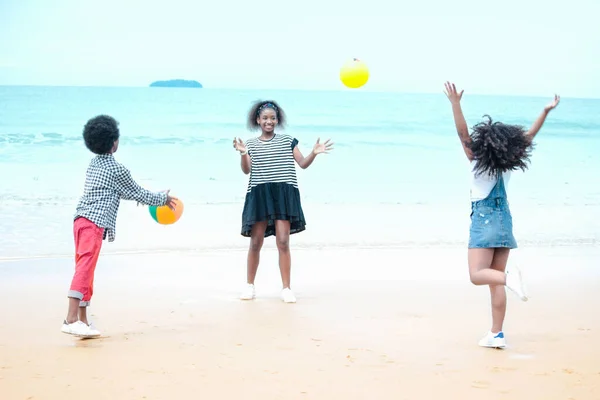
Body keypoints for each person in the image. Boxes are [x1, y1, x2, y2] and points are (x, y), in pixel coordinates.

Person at [444, 82, 560, 349]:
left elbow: (462, 132)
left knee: (478, 275)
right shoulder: (508, 162)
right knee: (494, 280)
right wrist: (545, 111)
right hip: (504, 221)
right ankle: (496, 334)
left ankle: (511, 280)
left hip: (484, 221)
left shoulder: (475, 160)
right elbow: (529, 135)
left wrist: (455, 104)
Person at [61, 115, 177, 338]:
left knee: (86, 268)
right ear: (114, 142)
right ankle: (71, 318)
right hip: (93, 223)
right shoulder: (117, 169)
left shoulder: (93, 163)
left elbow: (124, 192)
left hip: (80, 220)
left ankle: (84, 321)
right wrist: (163, 199)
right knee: (85, 268)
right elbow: (137, 192)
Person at [232, 100, 333, 303]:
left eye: (273, 118)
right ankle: (249, 286)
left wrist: (314, 152)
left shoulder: (288, 140)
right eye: (265, 118)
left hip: (284, 194)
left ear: (277, 120)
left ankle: (286, 288)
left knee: (283, 241)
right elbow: (246, 170)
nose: (269, 121)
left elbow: (302, 164)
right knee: (255, 242)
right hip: (260, 194)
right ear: (258, 120)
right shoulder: (250, 144)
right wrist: (243, 153)